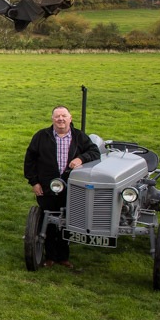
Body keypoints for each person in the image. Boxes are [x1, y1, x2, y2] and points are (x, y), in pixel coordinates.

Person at [23, 105, 101, 267]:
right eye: (57, 116)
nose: (60, 119)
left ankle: (64, 257)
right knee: (49, 220)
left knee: (68, 220)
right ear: (52, 119)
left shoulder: (79, 137)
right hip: (47, 187)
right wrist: (34, 182)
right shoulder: (41, 136)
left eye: (64, 116)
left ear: (70, 118)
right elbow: (30, 160)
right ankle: (50, 256)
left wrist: (81, 159)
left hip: (71, 187)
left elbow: (95, 152)